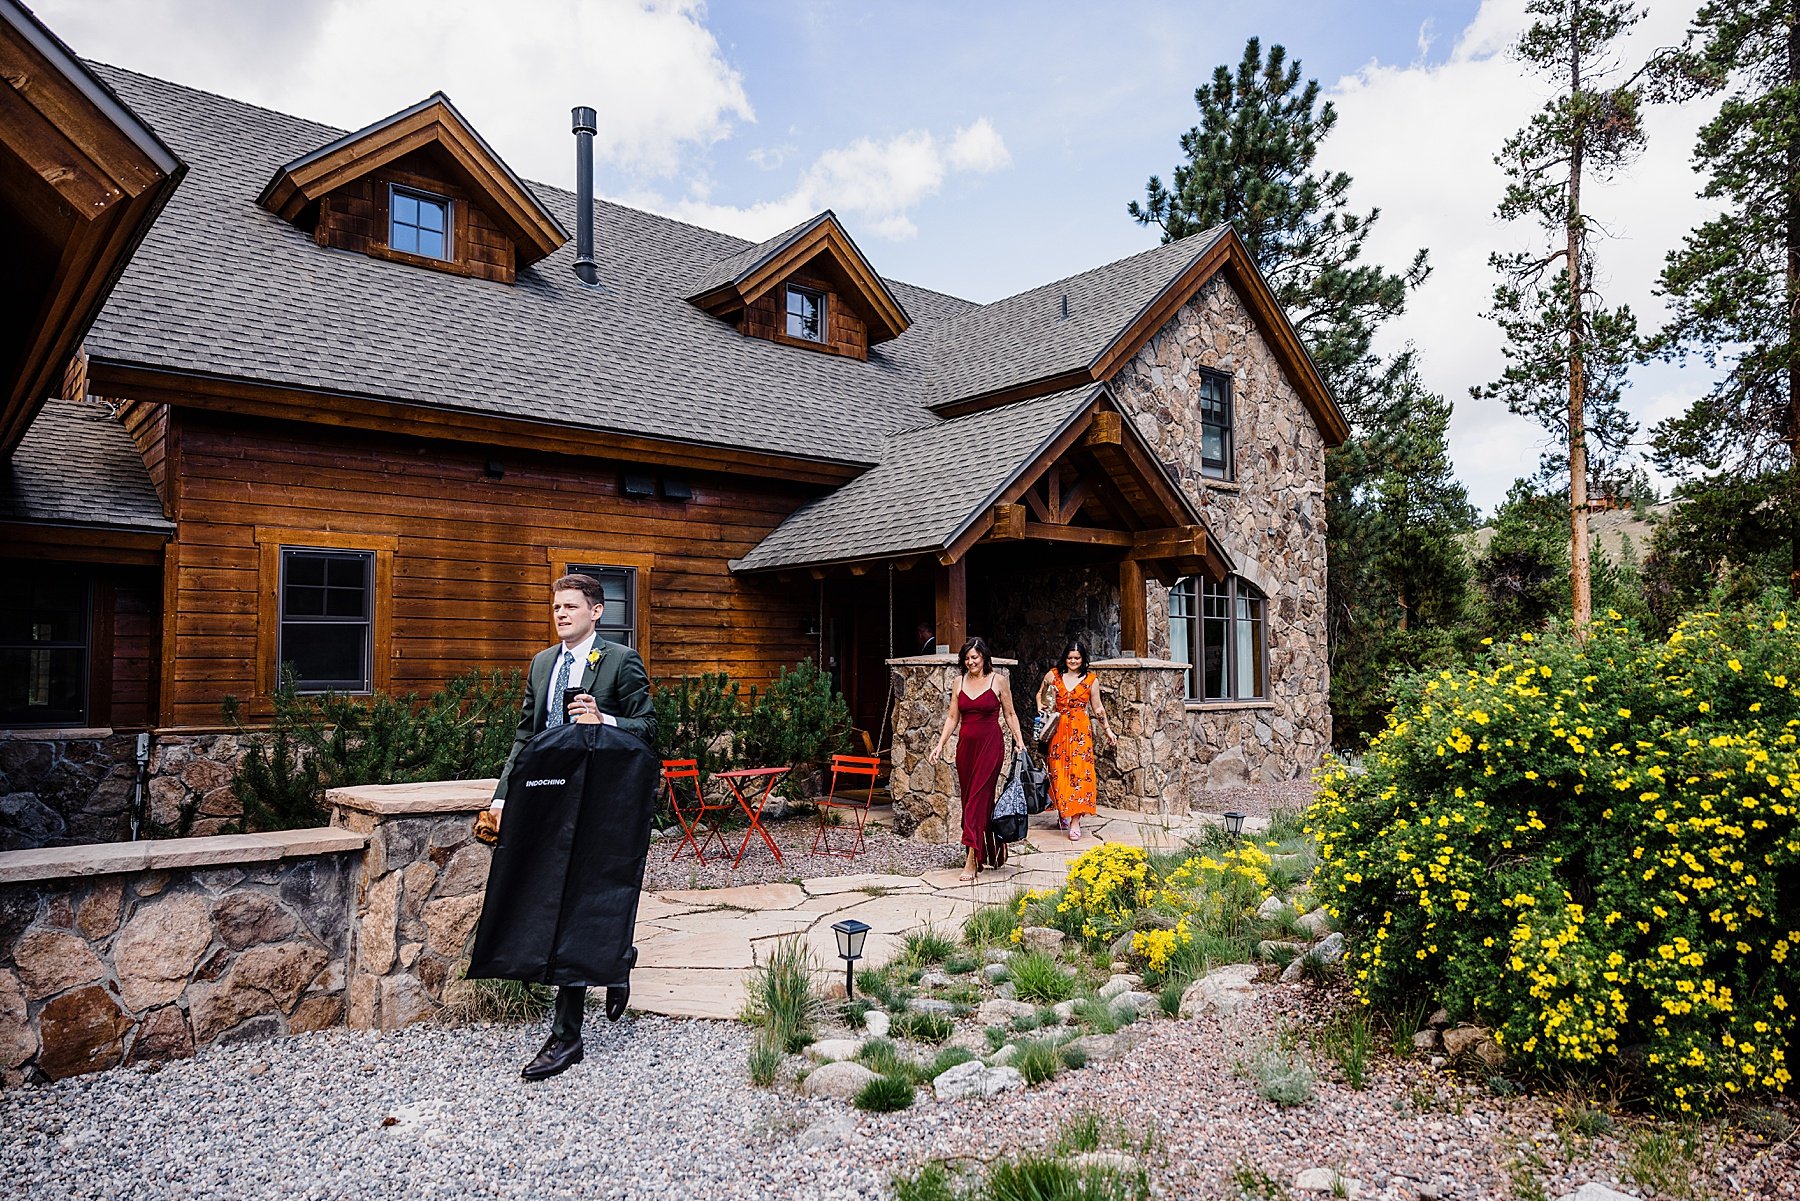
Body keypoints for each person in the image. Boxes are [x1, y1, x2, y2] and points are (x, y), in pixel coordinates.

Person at [477, 573, 656, 1081]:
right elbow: (525, 735)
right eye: (556, 607)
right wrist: (502, 796)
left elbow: (649, 727)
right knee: (547, 895)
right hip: (547, 799)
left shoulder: (619, 661)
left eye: (571, 607)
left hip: (600, 801)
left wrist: (606, 721)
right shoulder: (541, 664)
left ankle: (566, 1036)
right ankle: (616, 956)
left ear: (596, 612)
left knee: (578, 900)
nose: (560, 614)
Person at [926, 636, 1026, 882]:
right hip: (966, 750)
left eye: (975, 657)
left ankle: (971, 860)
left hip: (991, 747)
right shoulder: (959, 682)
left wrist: (1019, 741)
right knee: (974, 801)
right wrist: (939, 745)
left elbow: (1010, 714)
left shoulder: (998, 681)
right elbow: (952, 718)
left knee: (976, 803)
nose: (971, 662)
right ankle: (994, 847)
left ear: (984, 658)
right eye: (967, 658)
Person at [1036, 640, 1116, 842]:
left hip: (1080, 731)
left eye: (1077, 658)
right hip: (1057, 729)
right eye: (1070, 657)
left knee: (1080, 774)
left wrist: (1107, 730)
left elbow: (1098, 708)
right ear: (1065, 658)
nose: (1073, 661)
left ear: (1083, 659)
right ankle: (1063, 810)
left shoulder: (1091, 680)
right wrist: (1041, 707)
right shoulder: (1053, 675)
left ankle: (1075, 821)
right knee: (1057, 771)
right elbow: (1040, 695)